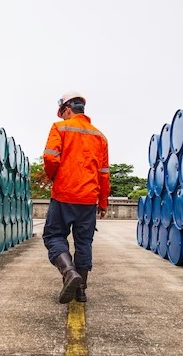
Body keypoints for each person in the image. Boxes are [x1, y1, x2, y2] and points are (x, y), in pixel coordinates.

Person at [42, 90, 110, 304]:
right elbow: (104, 173)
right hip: (89, 198)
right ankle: (80, 291)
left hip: (64, 194)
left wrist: (56, 178)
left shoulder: (59, 128)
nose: (61, 117)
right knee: (84, 242)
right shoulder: (100, 136)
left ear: (67, 109)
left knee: (53, 236)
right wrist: (104, 202)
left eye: (62, 112)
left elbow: (50, 158)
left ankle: (69, 273)